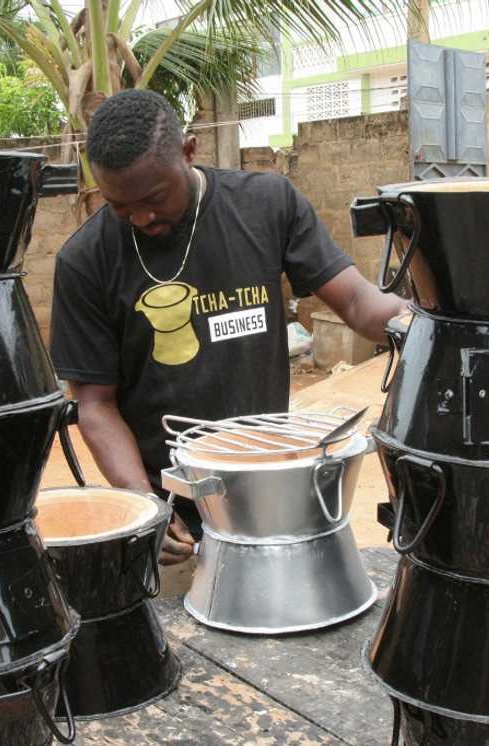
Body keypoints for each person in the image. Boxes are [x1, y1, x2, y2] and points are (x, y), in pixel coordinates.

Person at [50, 89, 406, 565]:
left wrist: (428, 323)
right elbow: (94, 404)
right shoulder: (85, 260)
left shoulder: (265, 205)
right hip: (173, 510)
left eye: (153, 198)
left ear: (189, 150)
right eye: (119, 206)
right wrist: (145, 507)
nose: (140, 217)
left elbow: (361, 305)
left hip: (273, 488)